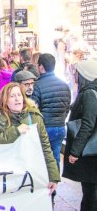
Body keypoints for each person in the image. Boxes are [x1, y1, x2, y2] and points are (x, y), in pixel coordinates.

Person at [0, 83, 60, 195]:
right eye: (12, 96)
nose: (17, 99)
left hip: (31, 174)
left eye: (19, 95)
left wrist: (53, 176)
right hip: (8, 174)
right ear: (5, 100)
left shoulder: (35, 116)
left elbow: (45, 148)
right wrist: (15, 132)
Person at [63, 58, 97, 211]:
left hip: (89, 151)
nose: (74, 75)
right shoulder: (90, 91)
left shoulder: (90, 93)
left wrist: (75, 151)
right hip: (91, 149)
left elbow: (88, 124)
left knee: (90, 192)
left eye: (77, 72)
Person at [32, 53, 71, 169]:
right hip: (60, 127)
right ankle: (54, 184)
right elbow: (67, 107)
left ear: (41, 67)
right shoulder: (64, 85)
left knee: (43, 158)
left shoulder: (37, 85)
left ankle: (45, 184)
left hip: (45, 127)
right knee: (55, 157)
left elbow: (34, 108)